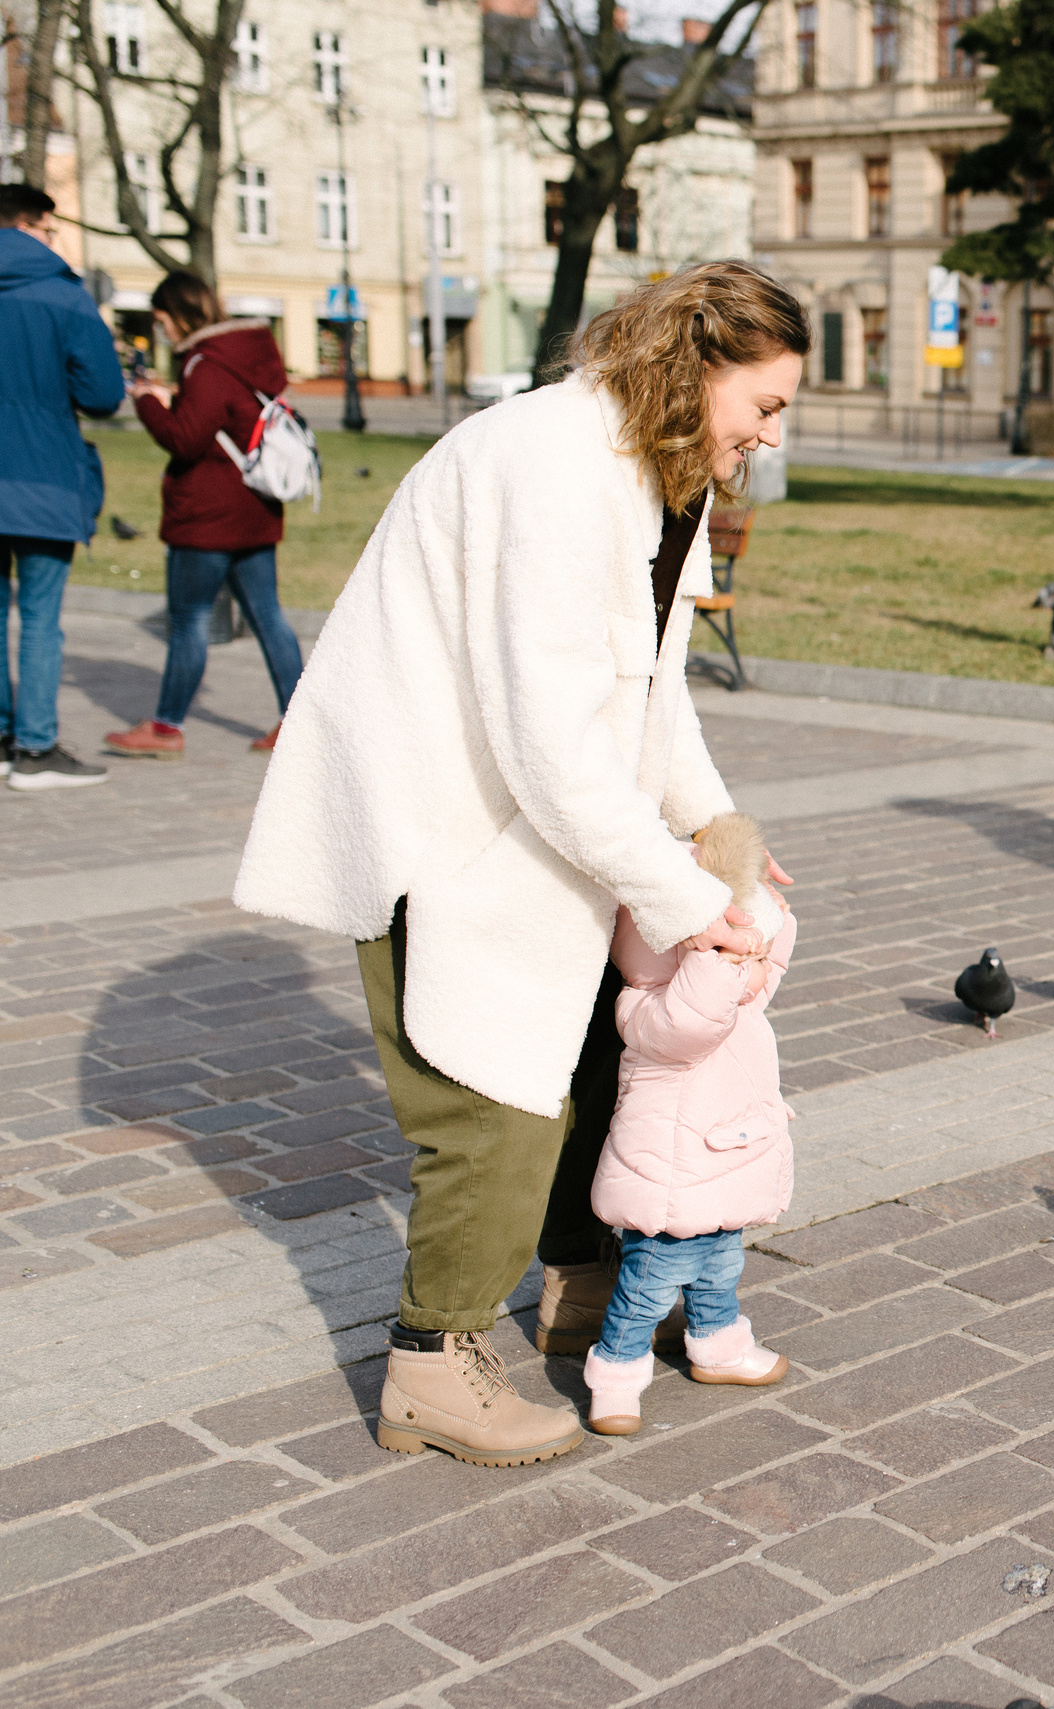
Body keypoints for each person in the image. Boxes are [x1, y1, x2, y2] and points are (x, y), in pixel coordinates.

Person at [232, 261, 808, 1468]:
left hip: (523, 799)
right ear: (691, 367)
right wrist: (690, 901)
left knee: (600, 1035)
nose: (768, 432)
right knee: (490, 1082)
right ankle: (431, 1362)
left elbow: (654, 692)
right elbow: (547, 745)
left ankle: (585, 1281)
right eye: (762, 402)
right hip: (435, 810)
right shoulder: (550, 464)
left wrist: (713, 825)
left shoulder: (665, 471)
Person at [582, 811, 797, 1435]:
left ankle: (718, 1343)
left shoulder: (729, 984)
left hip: (725, 1158)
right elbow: (698, 1018)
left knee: (721, 1266)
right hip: (672, 1174)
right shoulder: (651, 1004)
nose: (744, 959)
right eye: (724, 940)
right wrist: (725, 950)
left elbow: (761, 977)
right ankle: (616, 1374)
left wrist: (758, 920)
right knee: (649, 1282)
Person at [106, 271, 304, 759]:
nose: (162, 332)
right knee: (268, 617)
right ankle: (300, 722)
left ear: (179, 313)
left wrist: (149, 403)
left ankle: (167, 728)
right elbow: (223, 418)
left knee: (190, 619)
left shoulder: (205, 362)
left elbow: (186, 438)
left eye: (162, 321)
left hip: (207, 516)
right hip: (252, 510)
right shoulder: (248, 355)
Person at [0, 183, 122, 791]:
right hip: (44, 476)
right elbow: (103, 394)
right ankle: (36, 748)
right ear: (27, 224)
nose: (54, 238)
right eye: (48, 228)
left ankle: (1, 738)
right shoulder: (62, 294)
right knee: (41, 616)